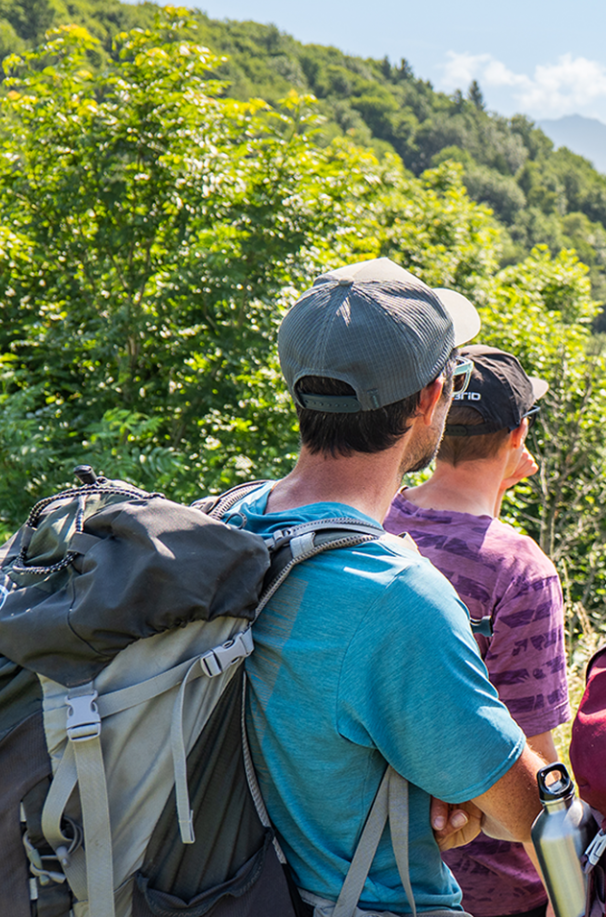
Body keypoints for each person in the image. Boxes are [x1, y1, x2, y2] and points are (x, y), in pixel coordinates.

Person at [222, 258, 556, 916]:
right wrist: (469, 795)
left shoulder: (227, 520)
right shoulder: (398, 596)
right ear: (433, 398)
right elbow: (527, 812)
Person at [384, 345, 571, 917]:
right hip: (495, 892)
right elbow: (534, 768)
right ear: (519, 435)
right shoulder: (519, 569)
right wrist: (573, 898)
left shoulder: (377, 520)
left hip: (381, 864)